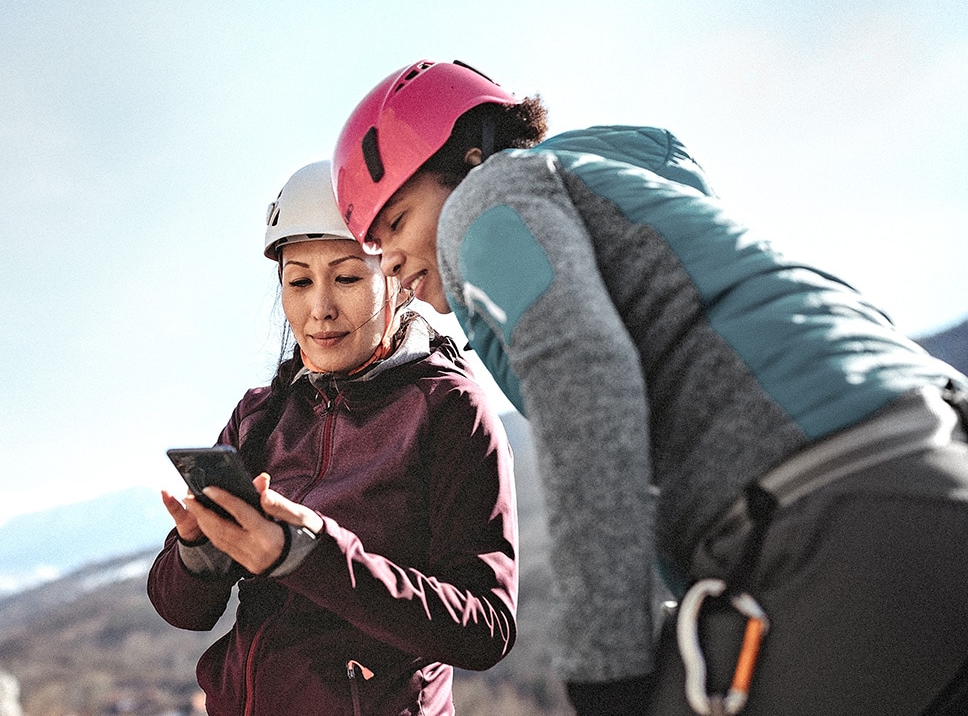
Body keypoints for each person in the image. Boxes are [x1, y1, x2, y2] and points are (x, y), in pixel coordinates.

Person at [330, 59, 968, 716]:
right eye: (375, 245)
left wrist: (603, 669)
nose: (392, 263)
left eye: (398, 221)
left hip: (825, 515)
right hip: (935, 461)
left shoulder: (485, 201)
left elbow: (584, 377)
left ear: (470, 158)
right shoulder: (621, 194)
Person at [146, 160, 519, 716]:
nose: (319, 309)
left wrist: (310, 552)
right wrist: (201, 551)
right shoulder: (261, 414)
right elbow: (184, 612)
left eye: (346, 277)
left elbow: (485, 627)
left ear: (396, 277)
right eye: (298, 282)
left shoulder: (449, 410)